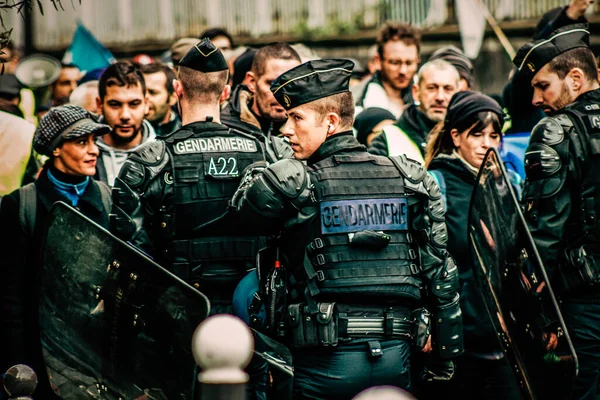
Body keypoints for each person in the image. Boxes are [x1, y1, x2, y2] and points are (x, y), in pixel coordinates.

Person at [231, 58, 463, 399]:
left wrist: (262, 170)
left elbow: (239, 214)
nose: (286, 129)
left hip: (323, 363)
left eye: (296, 118)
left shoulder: (298, 182)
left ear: (331, 122)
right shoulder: (408, 178)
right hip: (394, 360)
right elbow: (441, 272)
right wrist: (445, 358)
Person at [110, 38, 267, 316]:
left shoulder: (146, 163)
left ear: (177, 88)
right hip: (253, 312)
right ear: (225, 92)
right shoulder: (265, 152)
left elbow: (128, 252)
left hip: (176, 315)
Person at [0, 105, 112, 399]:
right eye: (81, 142)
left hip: (97, 354)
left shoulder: (108, 198)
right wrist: (19, 365)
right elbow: (11, 295)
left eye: (94, 141)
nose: (94, 151)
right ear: (56, 150)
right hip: (42, 351)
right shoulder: (21, 205)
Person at [513, 23, 600, 399]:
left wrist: (534, 307)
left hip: (585, 298)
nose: (534, 99)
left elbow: (542, 235)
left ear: (576, 78)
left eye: (542, 85)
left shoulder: (557, 130)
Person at [424, 91, 521, 399]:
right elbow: (428, 260)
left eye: (494, 135)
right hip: (458, 337)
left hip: (504, 336)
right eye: (476, 134)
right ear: (455, 136)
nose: (486, 143)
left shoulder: (507, 185)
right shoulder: (437, 184)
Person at [221, 42, 301, 162]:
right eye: (273, 84)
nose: (283, 94)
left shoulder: (312, 128)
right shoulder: (224, 128)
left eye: (292, 84)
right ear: (252, 82)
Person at [368, 59, 460, 162]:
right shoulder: (387, 139)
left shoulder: (468, 137)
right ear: (416, 92)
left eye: (448, 89)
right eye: (432, 88)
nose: (440, 97)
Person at [94, 61, 156, 186]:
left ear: (146, 104)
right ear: (100, 105)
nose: (125, 115)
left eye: (134, 104)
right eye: (115, 104)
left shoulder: (163, 154)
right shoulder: (84, 157)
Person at [353, 23, 421, 118]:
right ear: (378, 61)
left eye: (409, 63)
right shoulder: (355, 100)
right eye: (395, 62)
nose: (403, 71)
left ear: (417, 60)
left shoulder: (428, 94)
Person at [140, 62, 181, 136]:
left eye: (153, 92)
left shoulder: (184, 132)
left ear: (173, 98)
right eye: (141, 92)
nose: (145, 98)